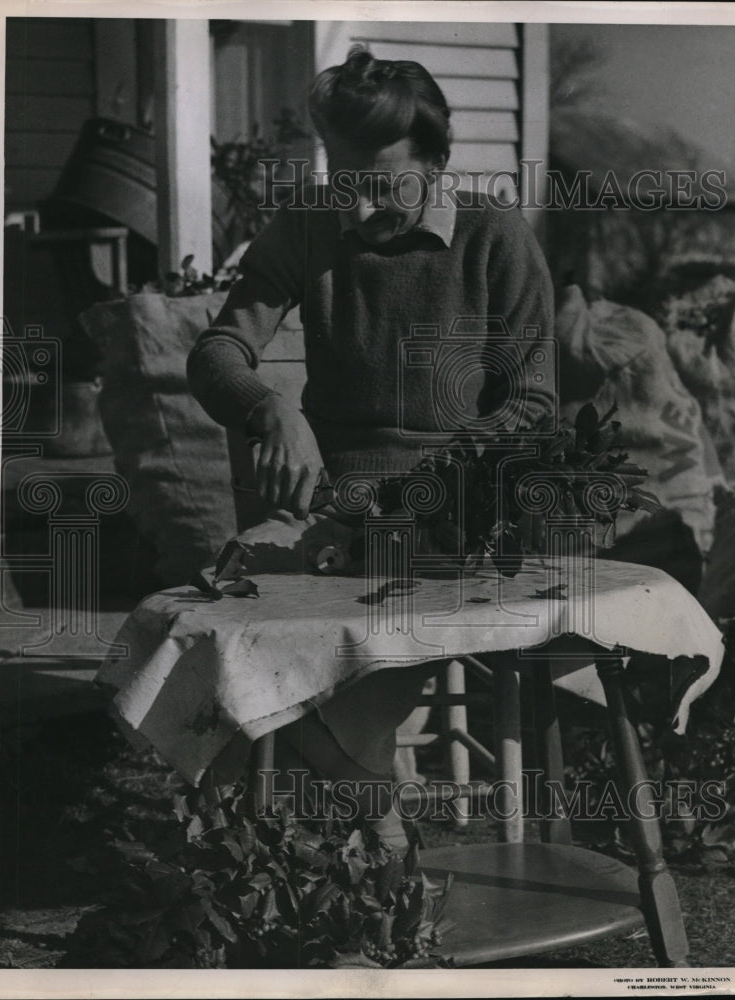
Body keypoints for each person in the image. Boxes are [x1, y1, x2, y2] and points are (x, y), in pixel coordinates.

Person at [187, 46, 555, 846]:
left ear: (438, 162)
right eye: (343, 176)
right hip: (330, 512)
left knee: (349, 634)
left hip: (453, 512)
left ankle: (356, 835)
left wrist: (398, 500)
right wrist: (268, 409)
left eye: (382, 181)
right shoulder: (310, 227)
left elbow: (530, 407)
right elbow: (215, 353)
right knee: (219, 630)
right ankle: (359, 815)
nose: (358, 203)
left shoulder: (496, 240)